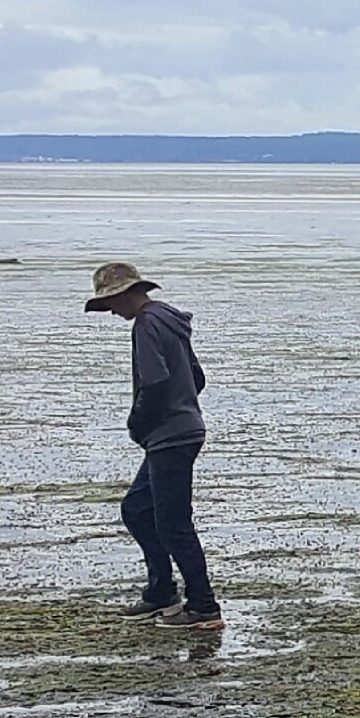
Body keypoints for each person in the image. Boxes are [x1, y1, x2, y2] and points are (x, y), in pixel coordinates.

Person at [85, 261, 221, 632]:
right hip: (184, 429)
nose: (113, 312)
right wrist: (181, 407)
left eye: (112, 303)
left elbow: (154, 382)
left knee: (173, 523)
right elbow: (197, 377)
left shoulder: (147, 324)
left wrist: (137, 423)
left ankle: (204, 606)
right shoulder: (171, 321)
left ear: (128, 294)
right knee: (137, 509)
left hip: (169, 436)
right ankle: (161, 591)